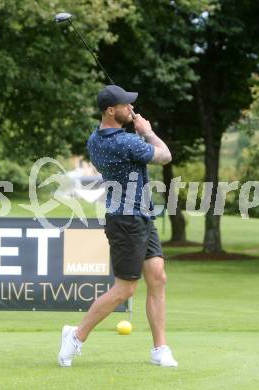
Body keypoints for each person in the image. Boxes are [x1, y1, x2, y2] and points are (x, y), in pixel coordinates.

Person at [58, 85, 178, 368]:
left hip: (141, 215)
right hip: (127, 221)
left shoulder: (95, 140)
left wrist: (135, 130)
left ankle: (160, 348)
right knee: (125, 290)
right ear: (111, 111)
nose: (131, 109)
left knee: (158, 277)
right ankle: (75, 336)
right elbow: (164, 155)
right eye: (126, 105)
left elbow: (133, 153)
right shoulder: (125, 143)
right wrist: (146, 130)